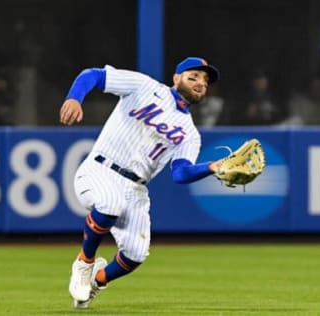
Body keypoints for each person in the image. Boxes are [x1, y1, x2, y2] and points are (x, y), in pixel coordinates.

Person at [59, 57, 223, 309]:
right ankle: (84, 262)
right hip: (99, 169)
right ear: (176, 78)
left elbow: (180, 174)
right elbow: (93, 74)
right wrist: (74, 97)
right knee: (110, 204)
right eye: (194, 76)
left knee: (136, 254)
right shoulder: (143, 86)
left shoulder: (190, 134)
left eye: (205, 80)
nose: (201, 83)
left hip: (135, 188)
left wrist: (212, 168)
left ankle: (96, 281)